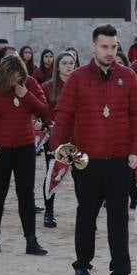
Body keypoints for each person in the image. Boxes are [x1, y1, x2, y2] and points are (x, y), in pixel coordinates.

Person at [50, 24, 137, 275]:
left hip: (119, 161)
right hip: (86, 160)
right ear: (93, 47)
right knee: (87, 214)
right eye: (104, 47)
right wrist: (58, 147)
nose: (110, 52)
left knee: (118, 217)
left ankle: (120, 274)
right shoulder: (78, 78)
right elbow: (64, 115)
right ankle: (82, 264)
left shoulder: (128, 77)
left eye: (114, 47)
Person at [0, 54, 50, 256]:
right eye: (12, 77)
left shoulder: (29, 83)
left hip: (25, 147)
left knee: (26, 194)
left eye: (19, 75)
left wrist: (26, 96)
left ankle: (31, 241)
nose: (16, 80)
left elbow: (45, 111)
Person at [41, 49, 78, 228]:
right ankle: (49, 211)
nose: (68, 66)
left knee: (82, 178)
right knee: (52, 173)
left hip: (78, 138)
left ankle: (85, 214)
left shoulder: (82, 85)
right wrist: (47, 125)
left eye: (71, 63)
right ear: (57, 67)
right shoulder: (48, 87)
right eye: (64, 63)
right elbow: (42, 110)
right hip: (56, 138)